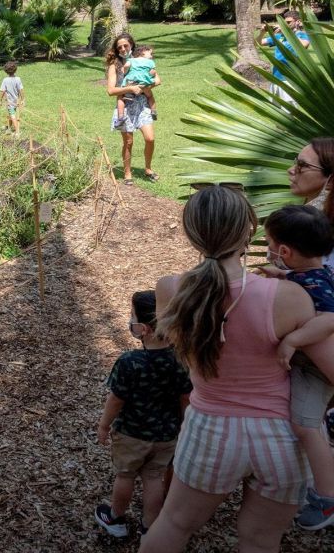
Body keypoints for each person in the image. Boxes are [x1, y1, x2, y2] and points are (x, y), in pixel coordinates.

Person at [139, 185, 334, 553]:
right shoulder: (289, 296)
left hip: (210, 429)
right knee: (261, 541)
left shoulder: (171, 290)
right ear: (249, 229)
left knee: (175, 525)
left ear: (191, 232)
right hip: (281, 435)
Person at [95, 290, 192, 538]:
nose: (130, 320)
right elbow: (185, 398)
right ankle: (151, 525)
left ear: (143, 328)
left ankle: (116, 517)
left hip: (131, 434)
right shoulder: (181, 359)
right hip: (166, 435)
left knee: (125, 475)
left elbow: (117, 398)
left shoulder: (129, 361)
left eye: (132, 316)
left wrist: (104, 425)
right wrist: (183, 426)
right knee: (153, 478)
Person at [264, 206, 334, 530]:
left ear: (284, 251)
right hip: (314, 367)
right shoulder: (314, 276)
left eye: (268, 244)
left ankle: (326, 498)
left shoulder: (317, 287)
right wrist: (283, 276)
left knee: (306, 427)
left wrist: (293, 339)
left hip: (316, 371)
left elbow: (330, 320)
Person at [106, 33, 159, 185]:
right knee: (128, 142)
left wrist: (143, 87)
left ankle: (148, 168)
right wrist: (130, 87)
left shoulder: (141, 60)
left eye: (126, 46)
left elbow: (157, 79)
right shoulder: (114, 66)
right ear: (116, 50)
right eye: (119, 47)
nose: (123, 49)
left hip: (142, 104)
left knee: (150, 138)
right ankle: (127, 173)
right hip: (125, 104)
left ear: (131, 45)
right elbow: (110, 91)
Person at [287, 138, 334, 271]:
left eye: (303, 165)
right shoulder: (309, 219)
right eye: (296, 162)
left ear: (331, 180)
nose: (291, 170)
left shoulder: (318, 228)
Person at [261, 10, 311, 104]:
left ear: (298, 21)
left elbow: (304, 44)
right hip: (276, 78)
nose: (286, 24)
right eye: (284, 23)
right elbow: (259, 42)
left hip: (291, 80)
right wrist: (262, 32)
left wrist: (287, 32)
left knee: (288, 113)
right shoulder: (280, 36)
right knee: (275, 113)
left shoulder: (302, 35)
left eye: (289, 22)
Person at [116, 45, 158, 127]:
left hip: (130, 82)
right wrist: (148, 76)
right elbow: (153, 72)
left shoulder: (131, 60)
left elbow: (126, 66)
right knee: (150, 96)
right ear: (142, 53)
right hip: (143, 83)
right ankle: (153, 111)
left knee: (121, 97)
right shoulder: (150, 62)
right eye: (150, 54)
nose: (152, 56)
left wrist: (125, 72)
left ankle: (120, 117)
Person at [0, 61, 24, 136]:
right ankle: (9, 128)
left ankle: (17, 131)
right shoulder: (18, 79)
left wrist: (0, 100)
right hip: (16, 101)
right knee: (10, 114)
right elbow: (21, 90)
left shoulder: (5, 80)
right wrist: (23, 99)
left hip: (10, 102)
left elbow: (2, 91)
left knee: (12, 115)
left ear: (6, 71)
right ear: (15, 69)